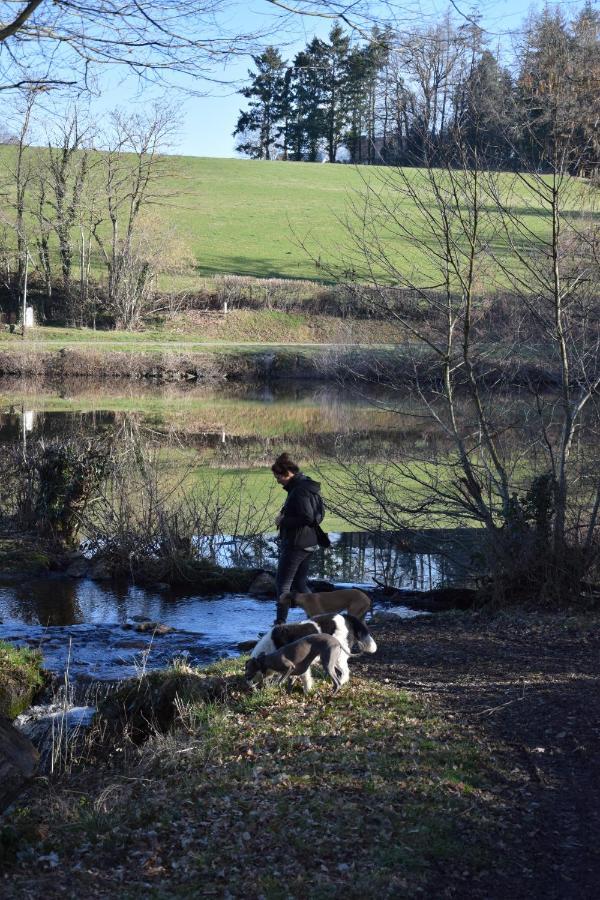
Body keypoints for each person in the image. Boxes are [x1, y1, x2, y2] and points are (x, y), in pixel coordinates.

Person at [271, 452, 324, 625]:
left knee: (282, 585)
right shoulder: (307, 485)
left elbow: (307, 518)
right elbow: (319, 515)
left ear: (287, 474)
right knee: (300, 584)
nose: (277, 480)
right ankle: (317, 618)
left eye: (277, 476)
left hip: (297, 544)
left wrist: (283, 520)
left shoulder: (299, 491)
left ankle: (280, 624)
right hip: (309, 542)